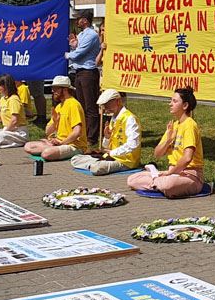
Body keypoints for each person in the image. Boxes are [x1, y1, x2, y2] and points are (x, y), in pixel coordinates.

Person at [127, 87, 204, 198]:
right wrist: (168, 140)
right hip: (172, 173)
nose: (170, 104)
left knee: (168, 185)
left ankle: (158, 182)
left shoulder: (190, 125)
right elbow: (157, 154)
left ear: (185, 105)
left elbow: (187, 158)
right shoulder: (174, 125)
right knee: (132, 179)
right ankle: (158, 182)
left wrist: (170, 173)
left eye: (174, 101)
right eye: (171, 100)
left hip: (190, 175)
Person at [71, 89, 142, 175]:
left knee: (97, 168)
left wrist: (111, 153)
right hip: (111, 157)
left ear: (118, 101)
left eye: (107, 105)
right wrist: (107, 137)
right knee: (75, 159)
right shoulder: (114, 118)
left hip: (126, 161)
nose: (105, 109)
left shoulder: (130, 119)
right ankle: (95, 163)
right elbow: (105, 147)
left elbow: (133, 144)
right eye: (104, 106)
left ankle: (95, 164)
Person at [24, 76, 88, 161]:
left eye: (55, 89)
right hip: (59, 142)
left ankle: (51, 149)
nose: (52, 91)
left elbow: (77, 132)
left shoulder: (74, 105)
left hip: (74, 145)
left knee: (46, 154)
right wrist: (55, 122)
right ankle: (51, 148)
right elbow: (47, 132)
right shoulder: (58, 106)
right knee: (28, 146)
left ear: (65, 89)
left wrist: (62, 143)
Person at [65, 9, 102, 146]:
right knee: (82, 105)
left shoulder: (91, 35)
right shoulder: (81, 35)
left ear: (85, 20)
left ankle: (92, 137)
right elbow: (76, 50)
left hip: (88, 72)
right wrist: (73, 45)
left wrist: (68, 55)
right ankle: (84, 134)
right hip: (79, 72)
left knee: (90, 105)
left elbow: (80, 53)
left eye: (78, 19)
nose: (77, 21)